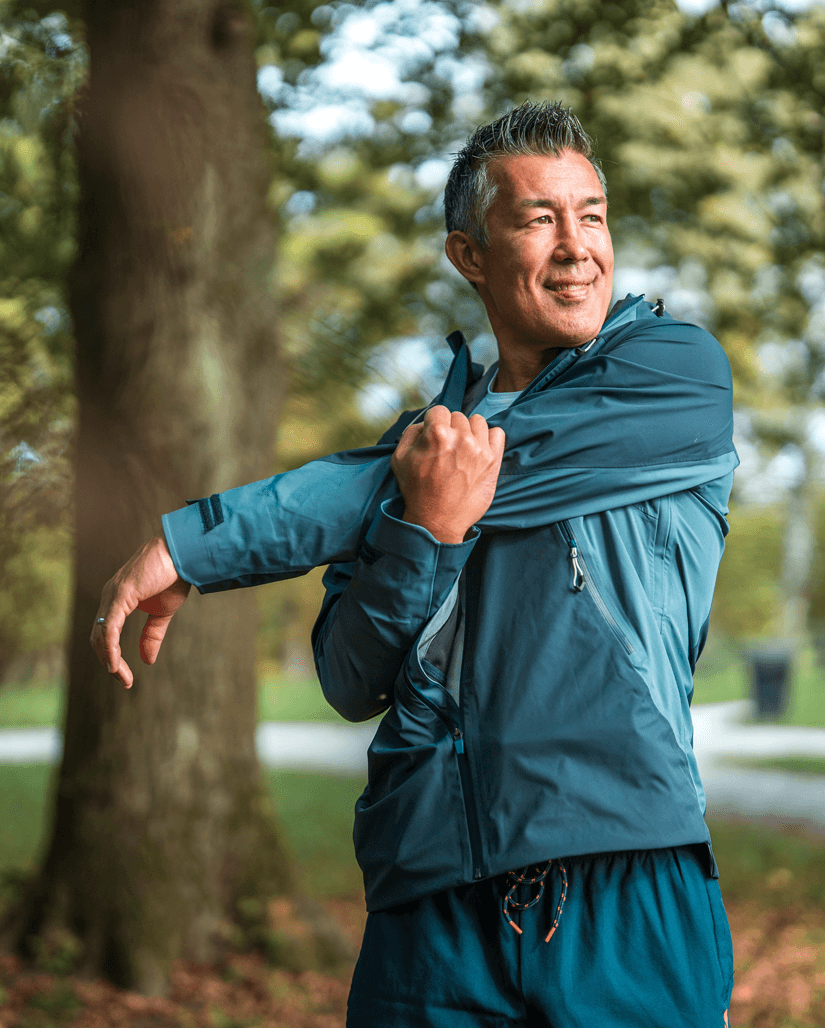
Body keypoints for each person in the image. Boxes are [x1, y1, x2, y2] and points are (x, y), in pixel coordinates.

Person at [92, 101, 737, 1027]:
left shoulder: (671, 378)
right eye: (538, 219)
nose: (576, 248)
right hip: (426, 903)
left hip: (623, 884)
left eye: (591, 215)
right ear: (468, 254)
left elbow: (449, 474)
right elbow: (350, 676)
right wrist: (426, 534)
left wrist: (196, 545)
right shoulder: (412, 452)